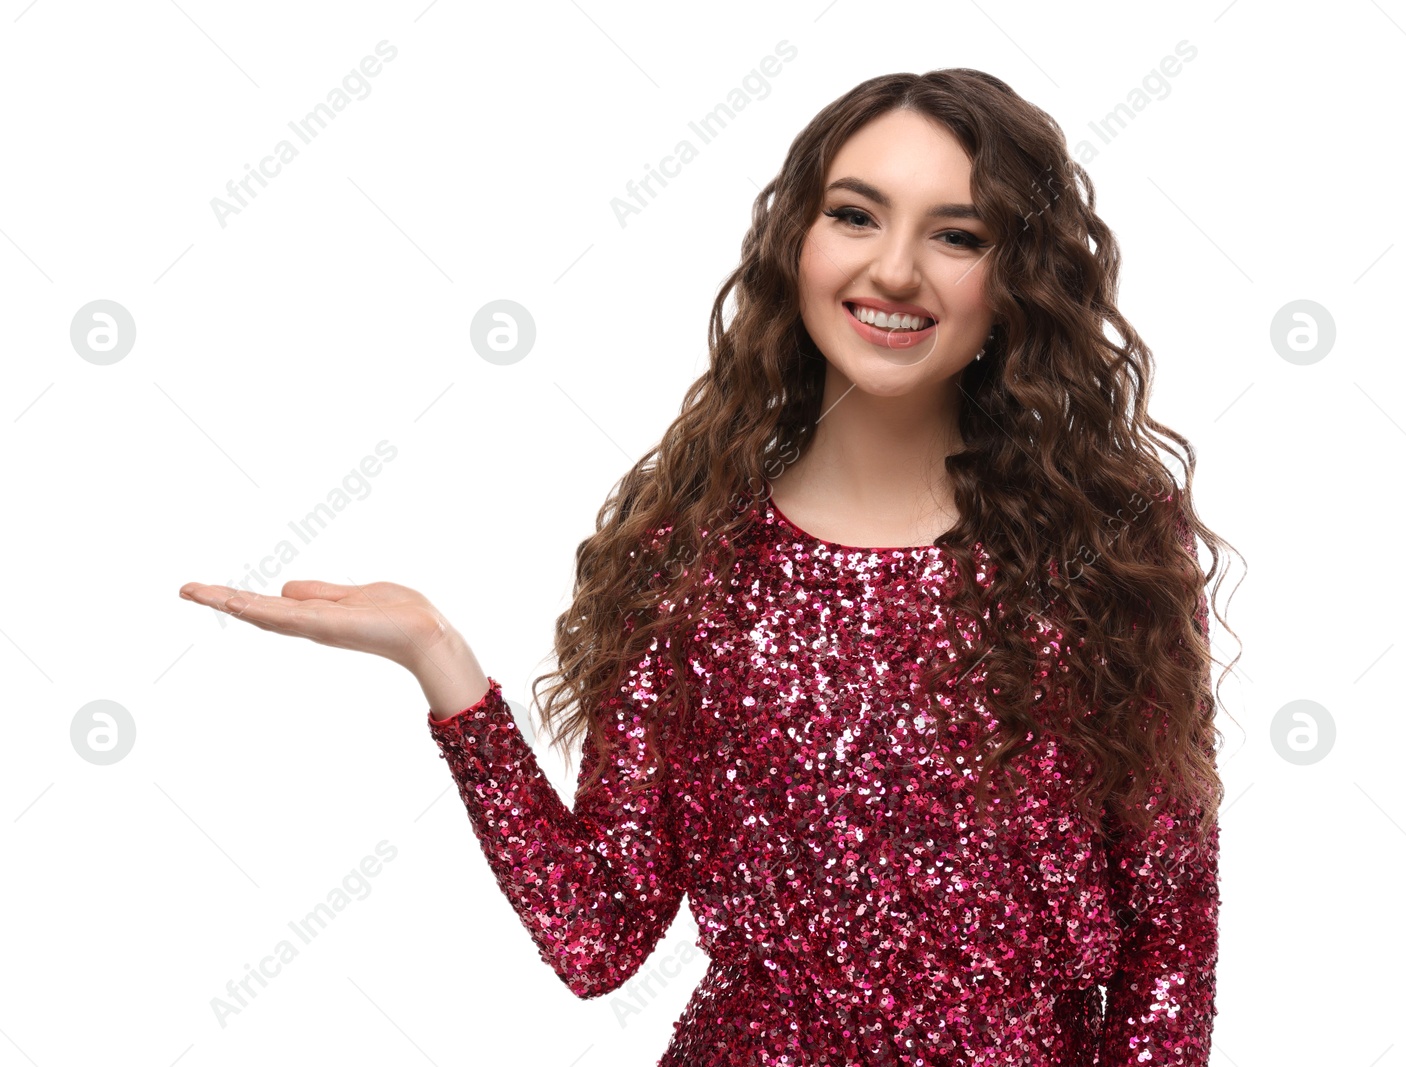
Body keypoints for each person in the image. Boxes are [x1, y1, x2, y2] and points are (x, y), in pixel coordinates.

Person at [180, 68, 1235, 1066]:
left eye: (956, 234)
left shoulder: (1106, 544)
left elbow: (1167, 956)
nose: (895, 270)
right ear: (795, 244)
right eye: (855, 215)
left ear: (1017, 282)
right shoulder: (689, 557)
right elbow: (596, 935)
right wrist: (442, 664)